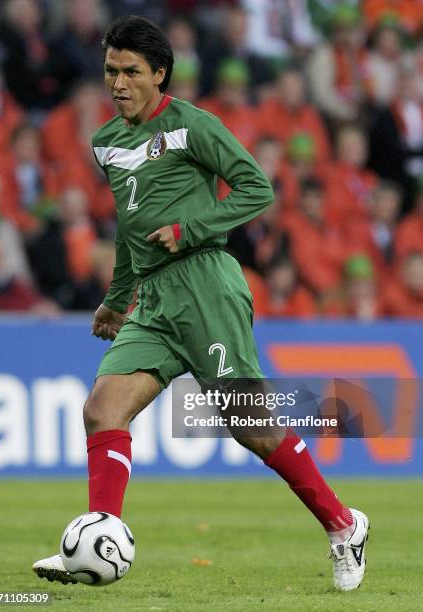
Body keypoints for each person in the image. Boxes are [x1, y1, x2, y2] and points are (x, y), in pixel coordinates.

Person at [32, 15, 369, 591]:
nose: (117, 83)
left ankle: (343, 525)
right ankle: (98, 537)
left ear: (159, 74)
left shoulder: (194, 125)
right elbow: (130, 227)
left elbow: (256, 188)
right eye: (111, 71)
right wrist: (116, 300)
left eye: (131, 72)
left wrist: (190, 228)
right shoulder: (107, 142)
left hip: (206, 285)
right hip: (153, 298)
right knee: (101, 410)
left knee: (252, 428)